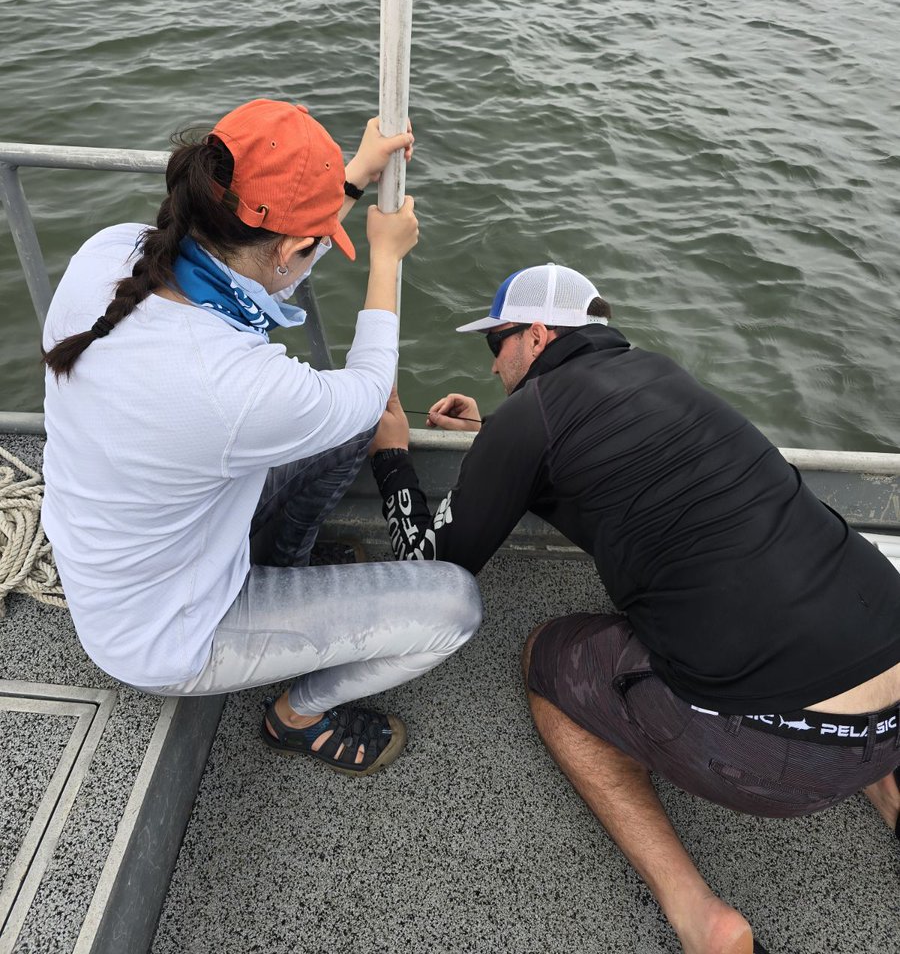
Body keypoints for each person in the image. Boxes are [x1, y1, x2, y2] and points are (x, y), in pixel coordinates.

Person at [368, 262, 900, 950]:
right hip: (891, 673)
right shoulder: (661, 371)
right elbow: (583, 456)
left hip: (780, 754)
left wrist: (391, 458)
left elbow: (425, 570)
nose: (494, 363)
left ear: (535, 335)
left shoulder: (531, 415)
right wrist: (496, 436)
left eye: (494, 345)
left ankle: (701, 919)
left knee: (550, 661)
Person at [41, 98, 481, 777]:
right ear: (291, 248)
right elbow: (368, 388)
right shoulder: (236, 390)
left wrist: (352, 178)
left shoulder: (110, 252)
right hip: (169, 634)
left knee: (338, 430)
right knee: (454, 607)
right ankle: (298, 716)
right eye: (320, 237)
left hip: (122, 561)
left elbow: (265, 260)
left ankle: (283, 560)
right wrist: (385, 258)